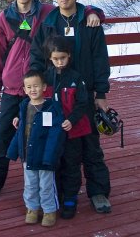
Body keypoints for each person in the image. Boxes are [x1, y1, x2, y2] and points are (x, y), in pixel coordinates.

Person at [0, 0, 104, 200]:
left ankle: (56, 190)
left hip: (46, 89)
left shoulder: (45, 12)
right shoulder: (5, 17)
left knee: (58, 136)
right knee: (2, 135)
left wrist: (95, 11)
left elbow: (73, 5)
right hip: (16, 85)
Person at [30, 0, 111, 216]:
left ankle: (98, 192)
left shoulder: (89, 21)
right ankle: (65, 195)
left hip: (83, 93)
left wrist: (101, 93)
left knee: (90, 145)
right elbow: (36, 57)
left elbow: (100, 59)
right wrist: (36, 88)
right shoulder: (48, 23)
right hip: (54, 94)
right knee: (59, 144)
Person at [7, 70, 66, 227]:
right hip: (28, 155)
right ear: (24, 90)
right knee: (30, 184)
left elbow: (55, 134)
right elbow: (20, 132)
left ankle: (49, 210)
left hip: (45, 156)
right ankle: (32, 208)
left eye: (36, 86)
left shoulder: (51, 108)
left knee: (46, 185)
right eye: (29, 87)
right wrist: (14, 150)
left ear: (44, 87)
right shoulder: (24, 106)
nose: (33, 90)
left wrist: (49, 156)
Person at [43, 35, 92, 219]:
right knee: (55, 163)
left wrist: (71, 119)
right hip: (53, 133)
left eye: (63, 58)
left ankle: (70, 198)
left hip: (73, 131)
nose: (60, 62)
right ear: (50, 58)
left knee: (72, 164)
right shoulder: (46, 77)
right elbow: (39, 102)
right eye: (55, 58)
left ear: (69, 56)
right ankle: (58, 195)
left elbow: (82, 103)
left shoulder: (76, 78)